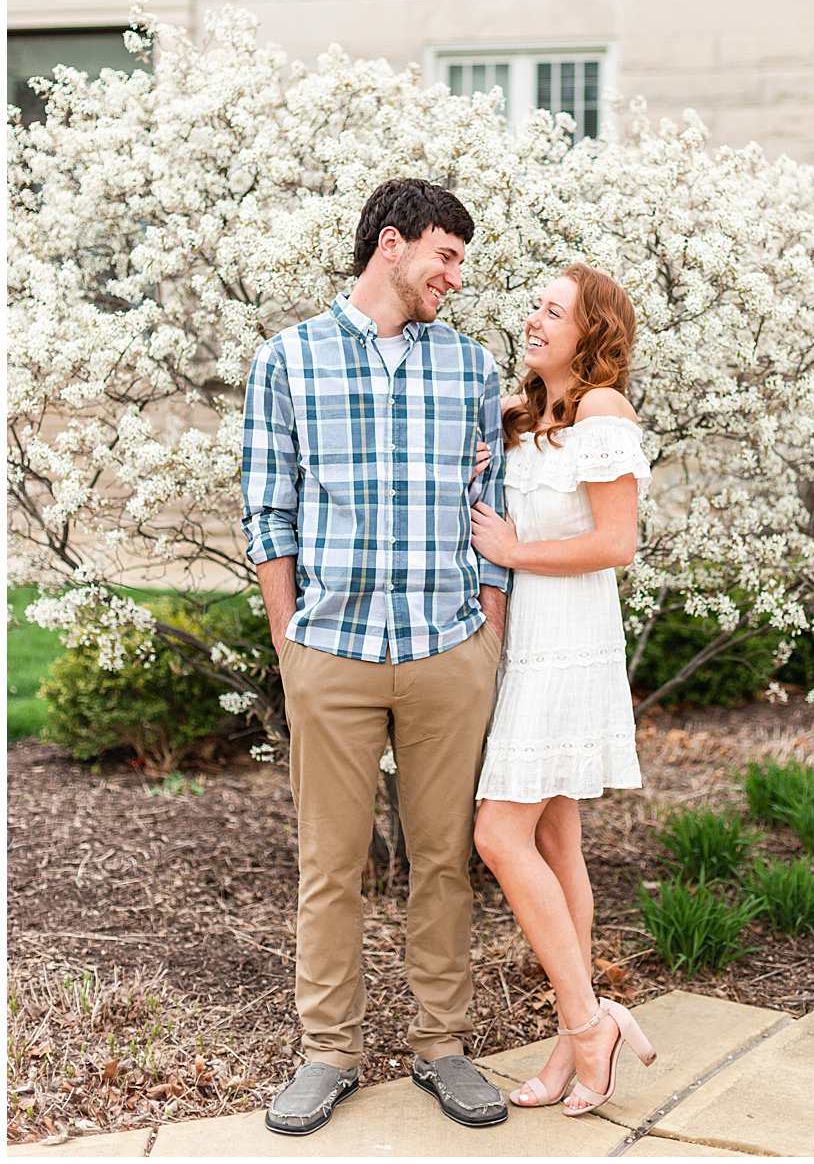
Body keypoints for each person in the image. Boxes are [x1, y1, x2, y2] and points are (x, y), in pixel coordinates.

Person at [242, 178, 513, 1135]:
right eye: (445, 256)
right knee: (330, 861)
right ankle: (329, 1052)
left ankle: (442, 1046)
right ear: (390, 244)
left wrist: (488, 637)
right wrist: (290, 644)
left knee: (443, 858)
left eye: (461, 263)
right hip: (334, 651)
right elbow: (267, 511)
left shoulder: (474, 369)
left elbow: (495, 515)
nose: (455, 276)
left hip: (448, 650)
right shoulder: (288, 361)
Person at [467, 263, 658, 1118]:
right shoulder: (525, 416)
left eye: (554, 310)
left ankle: (587, 1023)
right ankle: (572, 1043)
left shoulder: (604, 413)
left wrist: (511, 551)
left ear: (591, 332)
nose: (535, 318)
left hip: (571, 645)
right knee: (555, 844)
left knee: (499, 834)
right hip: (524, 642)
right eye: (535, 305)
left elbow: (616, 542)